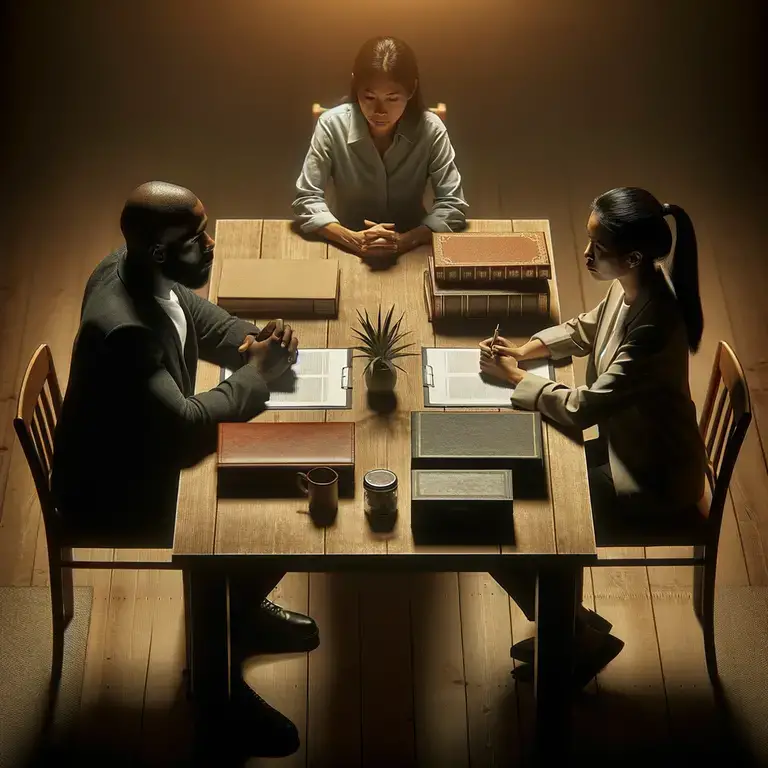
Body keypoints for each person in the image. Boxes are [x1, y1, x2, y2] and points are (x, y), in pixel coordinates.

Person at [51, 181, 315, 756]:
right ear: (158, 252)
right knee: (257, 519)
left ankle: (238, 610)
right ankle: (216, 695)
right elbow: (188, 431)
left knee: (299, 485)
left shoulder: (134, 269)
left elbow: (195, 317)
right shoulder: (124, 333)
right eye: (195, 239)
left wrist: (252, 340)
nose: (211, 244)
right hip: (117, 490)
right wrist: (257, 376)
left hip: (136, 453)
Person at [479, 187, 707, 688]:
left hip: (650, 477)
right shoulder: (635, 283)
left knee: (509, 521)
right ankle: (574, 622)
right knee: (508, 489)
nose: (585, 255)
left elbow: (584, 409)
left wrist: (517, 379)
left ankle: (572, 629)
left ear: (633, 255)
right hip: (629, 446)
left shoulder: (654, 323)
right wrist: (526, 348)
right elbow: (587, 328)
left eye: (597, 248)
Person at [292, 36, 468, 260]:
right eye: (369, 97)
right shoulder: (331, 125)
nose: (380, 111)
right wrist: (352, 239)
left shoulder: (430, 129)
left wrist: (406, 240)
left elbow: (453, 203)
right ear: (356, 86)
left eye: (392, 98)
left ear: (411, 89)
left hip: (413, 246)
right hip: (342, 245)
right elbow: (306, 198)